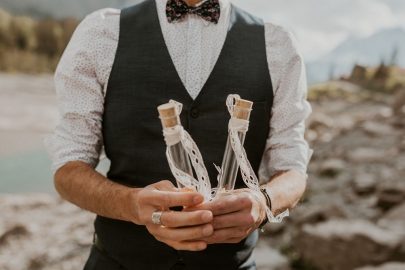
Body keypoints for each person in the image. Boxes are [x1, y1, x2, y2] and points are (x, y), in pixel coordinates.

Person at [44, 0, 312, 269]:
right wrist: (131, 204)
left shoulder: (277, 44)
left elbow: (292, 170)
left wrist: (263, 203)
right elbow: (68, 168)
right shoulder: (101, 33)